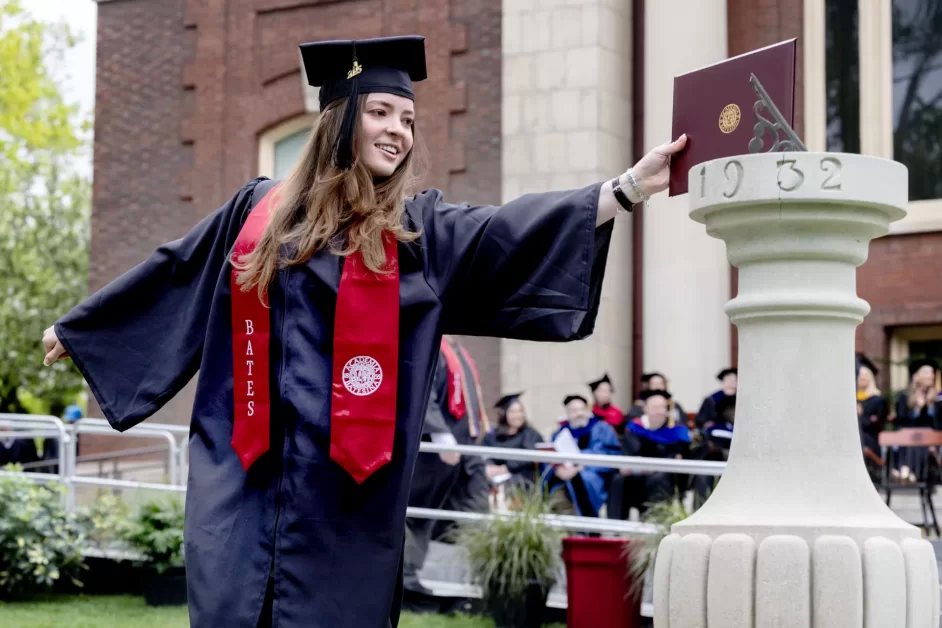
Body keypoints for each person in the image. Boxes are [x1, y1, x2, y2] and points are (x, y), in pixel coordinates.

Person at [41, 35, 685, 628]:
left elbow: (505, 232)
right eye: (381, 112)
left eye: (407, 119)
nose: (398, 131)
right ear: (341, 118)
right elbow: (178, 271)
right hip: (241, 487)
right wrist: (85, 331)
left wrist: (624, 190)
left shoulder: (415, 233)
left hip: (347, 506)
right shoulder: (254, 213)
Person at [607, 390, 691, 519]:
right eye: (655, 407)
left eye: (663, 407)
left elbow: (677, 458)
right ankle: (616, 528)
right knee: (618, 479)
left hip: (662, 476)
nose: (660, 411)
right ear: (645, 409)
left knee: (659, 478)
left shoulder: (676, 432)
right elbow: (629, 454)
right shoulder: (634, 428)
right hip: (637, 476)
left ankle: (656, 523)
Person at [543, 394, 621, 517]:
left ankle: (589, 530)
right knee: (555, 493)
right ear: (567, 414)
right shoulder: (559, 433)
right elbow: (550, 457)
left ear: (588, 411)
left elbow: (610, 454)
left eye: (581, 409)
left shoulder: (601, 428)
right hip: (563, 476)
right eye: (573, 411)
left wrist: (580, 464)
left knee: (584, 481)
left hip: (591, 474)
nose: (579, 413)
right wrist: (557, 469)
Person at [892, 358, 941, 483]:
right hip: (909, 437)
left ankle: (905, 471)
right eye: (926, 372)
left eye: (932, 373)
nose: (930, 375)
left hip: (932, 439)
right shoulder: (904, 397)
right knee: (912, 438)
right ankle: (909, 472)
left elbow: (938, 424)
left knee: (922, 439)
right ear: (916, 376)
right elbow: (901, 421)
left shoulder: (938, 399)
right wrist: (917, 409)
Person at [482, 393, 544, 489]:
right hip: (494, 476)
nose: (518, 415)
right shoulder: (493, 435)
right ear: (504, 414)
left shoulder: (530, 434)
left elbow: (529, 457)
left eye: (520, 411)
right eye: (513, 412)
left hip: (522, 479)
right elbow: (483, 453)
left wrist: (506, 468)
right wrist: (489, 466)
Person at [855, 354, 888, 481]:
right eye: (860, 377)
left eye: (865, 376)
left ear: (871, 378)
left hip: (871, 437)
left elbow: (877, 423)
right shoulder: (853, 398)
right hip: (858, 434)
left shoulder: (878, 399)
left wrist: (861, 416)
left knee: (864, 439)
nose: (862, 379)